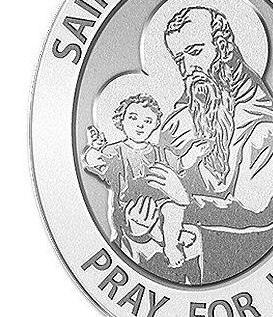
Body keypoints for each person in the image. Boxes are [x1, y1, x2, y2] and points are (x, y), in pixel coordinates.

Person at [126, 6, 273, 284]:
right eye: (179, 59)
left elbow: (258, 211)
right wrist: (140, 226)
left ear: (223, 48)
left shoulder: (265, 124)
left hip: (249, 274)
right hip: (182, 276)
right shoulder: (180, 121)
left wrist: (185, 201)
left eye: (194, 52)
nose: (187, 70)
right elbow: (153, 188)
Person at [83, 93, 204, 282]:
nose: (140, 125)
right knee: (145, 217)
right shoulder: (116, 151)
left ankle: (170, 245)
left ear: (155, 124)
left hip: (160, 202)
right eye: (133, 118)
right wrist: (94, 151)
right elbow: (95, 162)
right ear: (121, 121)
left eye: (147, 121)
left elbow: (179, 164)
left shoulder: (159, 152)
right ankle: (172, 237)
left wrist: (193, 154)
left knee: (172, 209)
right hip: (130, 207)